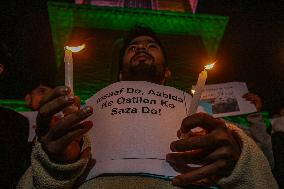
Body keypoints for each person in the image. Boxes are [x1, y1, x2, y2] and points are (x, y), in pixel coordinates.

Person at [18, 26, 278, 188]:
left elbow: (264, 180)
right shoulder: (82, 120)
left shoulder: (206, 122)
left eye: (151, 46)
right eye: (133, 47)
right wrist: (53, 160)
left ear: (167, 71)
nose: (141, 48)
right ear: (119, 76)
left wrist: (237, 158)